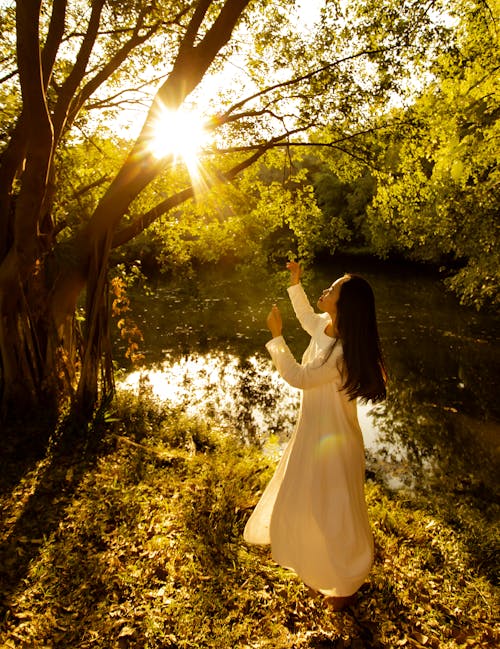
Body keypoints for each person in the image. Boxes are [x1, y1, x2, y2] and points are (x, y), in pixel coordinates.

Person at [244, 260, 387, 610]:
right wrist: (296, 284)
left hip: (335, 441)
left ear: (343, 306)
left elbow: (299, 377)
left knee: (336, 511)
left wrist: (276, 337)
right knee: (312, 501)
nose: (327, 290)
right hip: (314, 430)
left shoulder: (341, 354)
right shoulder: (327, 326)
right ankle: (319, 568)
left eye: (333, 290)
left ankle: (345, 582)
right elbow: (308, 319)